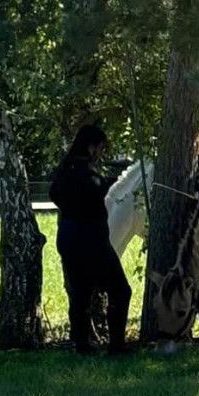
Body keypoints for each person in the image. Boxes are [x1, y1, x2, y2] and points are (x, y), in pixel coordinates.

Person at [49, 125, 132, 355]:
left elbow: (53, 194)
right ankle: (116, 344)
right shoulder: (87, 172)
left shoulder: (64, 169)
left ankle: (82, 344)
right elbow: (97, 191)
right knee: (120, 290)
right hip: (92, 239)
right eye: (100, 148)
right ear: (91, 146)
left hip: (67, 236)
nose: (101, 154)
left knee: (81, 293)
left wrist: (70, 209)